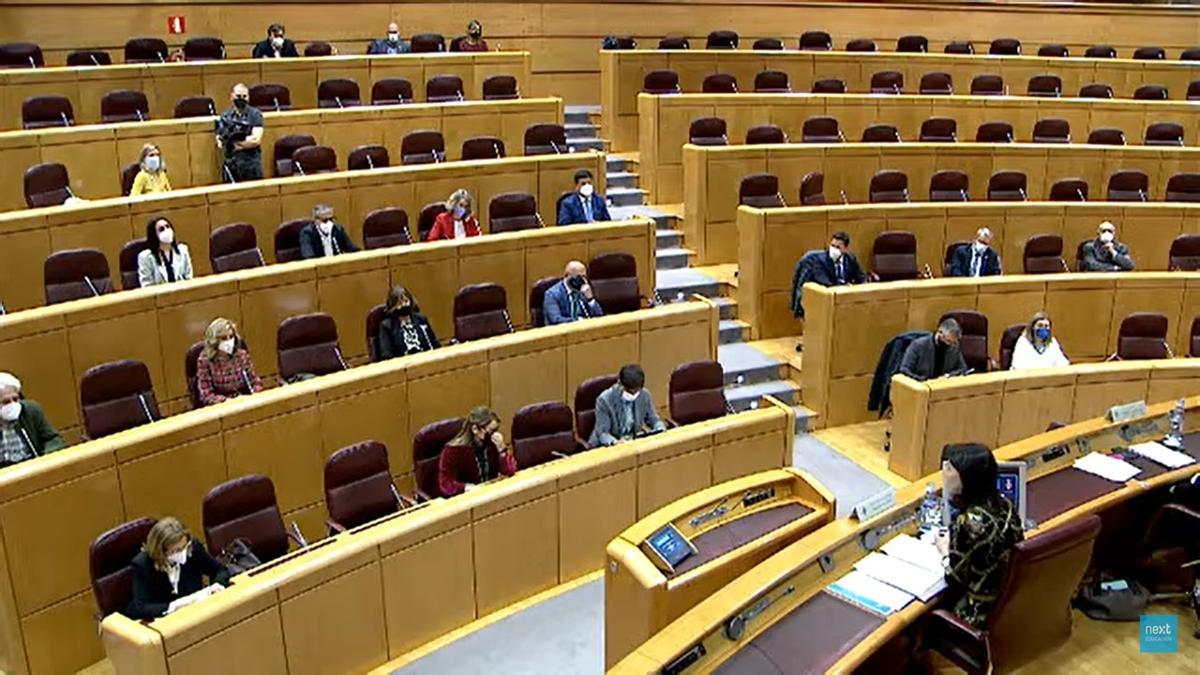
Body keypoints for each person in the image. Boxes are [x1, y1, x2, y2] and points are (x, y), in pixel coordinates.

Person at [935, 443, 1024, 629]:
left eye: (950, 469)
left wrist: (944, 551)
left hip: (977, 612)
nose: (943, 474)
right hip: (1008, 605)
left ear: (967, 478)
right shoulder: (1005, 505)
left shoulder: (968, 522)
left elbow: (954, 579)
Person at [126, 517, 231, 620]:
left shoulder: (193, 548)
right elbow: (140, 607)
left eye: (183, 547)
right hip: (166, 622)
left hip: (197, 614)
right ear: (160, 550)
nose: (181, 553)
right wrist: (174, 606)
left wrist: (217, 586)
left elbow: (220, 570)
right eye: (174, 551)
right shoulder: (143, 564)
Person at [437, 407, 518, 496]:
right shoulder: (452, 451)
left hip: (490, 493)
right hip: (467, 497)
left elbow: (510, 470)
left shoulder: (492, 444)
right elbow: (445, 484)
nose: (495, 435)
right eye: (491, 431)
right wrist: (466, 488)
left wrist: (502, 450)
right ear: (475, 429)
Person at [790, 231, 866, 319]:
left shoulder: (850, 259)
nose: (834, 250)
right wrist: (845, 287)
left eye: (838, 247)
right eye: (832, 246)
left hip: (844, 305)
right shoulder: (818, 261)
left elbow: (861, 278)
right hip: (823, 305)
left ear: (845, 249)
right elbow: (826, 284)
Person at [589, 364, 667, 447]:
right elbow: (602, 433)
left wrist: (660, 428)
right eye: (629, 392)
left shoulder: (644, 395)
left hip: (632, 441)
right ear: (620, 383)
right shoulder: (605, 400)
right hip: (607, 445)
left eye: (636, 391)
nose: (633, 395)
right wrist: (615, 442)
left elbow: (654, 419)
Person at [0, 372, 65, 467]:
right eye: (6, 402)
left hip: (31, 465)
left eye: (15, 399)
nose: (12, 405)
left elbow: (54, 439)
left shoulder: (30, 410)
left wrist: (46, 458)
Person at [195, 318, 264, 406]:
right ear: (214, 341)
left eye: (231, 337)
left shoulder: (241, 355)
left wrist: (255, 393)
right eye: (224, 338)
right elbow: (206, 394)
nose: (229, 341)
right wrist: (226, 401)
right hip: (221, 406)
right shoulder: (205, 361)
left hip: (244, 401)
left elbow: (255, 382)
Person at [215, 83, 264, 183]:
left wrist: (235, 144)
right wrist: (245, 141)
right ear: (231, 96)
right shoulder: (225, 116)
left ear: (248, 97)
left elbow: (256, 140)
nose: (241, 99)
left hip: (251, 165)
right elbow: (220, 142)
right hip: (231, 164)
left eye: (244, 96)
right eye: (238, 96)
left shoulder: (255, 114)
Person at [377, 286, 440, 359]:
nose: (404, 305)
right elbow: (387, 354)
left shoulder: (420, 319)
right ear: (392, 307)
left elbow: (435, 344)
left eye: (406, 301)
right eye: (399, 303)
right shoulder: (387, 326)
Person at [898, 318, 969, 381]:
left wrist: (948, 376)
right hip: (920, 387)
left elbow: (962, 368)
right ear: (940, 333)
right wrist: (922, 381)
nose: (951, 345)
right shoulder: (918, 345)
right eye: (948, 341)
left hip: (941, 387)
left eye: (954, 342)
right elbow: (905, 370)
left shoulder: (954, 346)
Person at [137, 216, 193, 287]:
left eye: (168, 226)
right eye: (161, 229)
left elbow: (189, 279)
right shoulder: (145, 257)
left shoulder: (183, 250)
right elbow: (146, 285)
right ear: (154, 235)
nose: (166, 230)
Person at [543, 260, 603, 325]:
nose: (584, 281)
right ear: (568, 276)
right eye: (579, 277)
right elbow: (555, 319)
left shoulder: (582, 290)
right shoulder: (552, 294)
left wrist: (590, 299)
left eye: (584, 277)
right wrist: (578, 320)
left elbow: (599, 315)